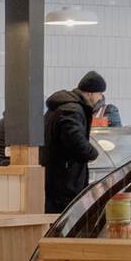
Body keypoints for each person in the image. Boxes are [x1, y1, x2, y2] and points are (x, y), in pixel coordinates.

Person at [43, 71, 108, 213]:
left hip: (56, 178)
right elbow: (75, 140)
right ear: (90, 93)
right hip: (65, 180)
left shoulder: (62, 107)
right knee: (63, 219)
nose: (100, 98)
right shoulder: (72, 110)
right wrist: (92, 153)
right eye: (99, 94)